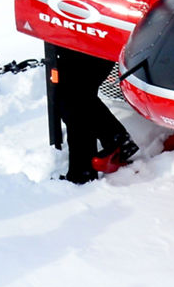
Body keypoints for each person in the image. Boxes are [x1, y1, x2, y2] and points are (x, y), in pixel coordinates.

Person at [48, 44, 140, 184]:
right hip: (73, 44)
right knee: (75, 98)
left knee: (74, 99)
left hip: (93, 43)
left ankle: (83, 172)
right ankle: (115, 141)